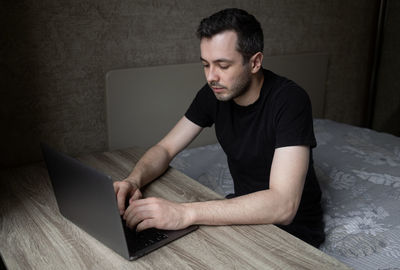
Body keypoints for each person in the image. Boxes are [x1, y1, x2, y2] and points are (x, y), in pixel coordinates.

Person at [113, 8, 325, 247]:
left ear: (255, 62)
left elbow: (283, 205)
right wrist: (133, 180)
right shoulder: (214, 93)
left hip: (292, 229)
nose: (211, 76)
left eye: (222, 66)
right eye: (206, 64)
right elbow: (165, 148)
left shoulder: (290, 100)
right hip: (242, 214)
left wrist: (185, 213)